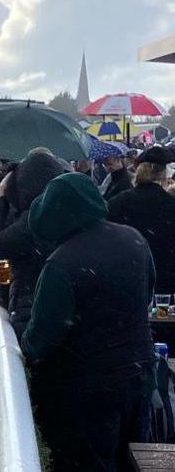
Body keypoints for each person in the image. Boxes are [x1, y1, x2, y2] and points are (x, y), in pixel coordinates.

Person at [23, 173, 155, 471]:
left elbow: (41, 340)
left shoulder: (61, 263)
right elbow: (146, 294)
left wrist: (23, 340)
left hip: (89, 388)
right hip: (138, 374)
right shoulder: (134, 238)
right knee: (132, 462)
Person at [0, 151, 63, 336]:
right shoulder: (64, 213)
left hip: (31, 312)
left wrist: (0, 199)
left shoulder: (32, 221)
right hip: (60, 310)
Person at [108, 146, 175, 294]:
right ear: (164, 175)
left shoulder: (118, 202)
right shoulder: (171, 204)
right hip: (166, 281)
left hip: (128, 278)